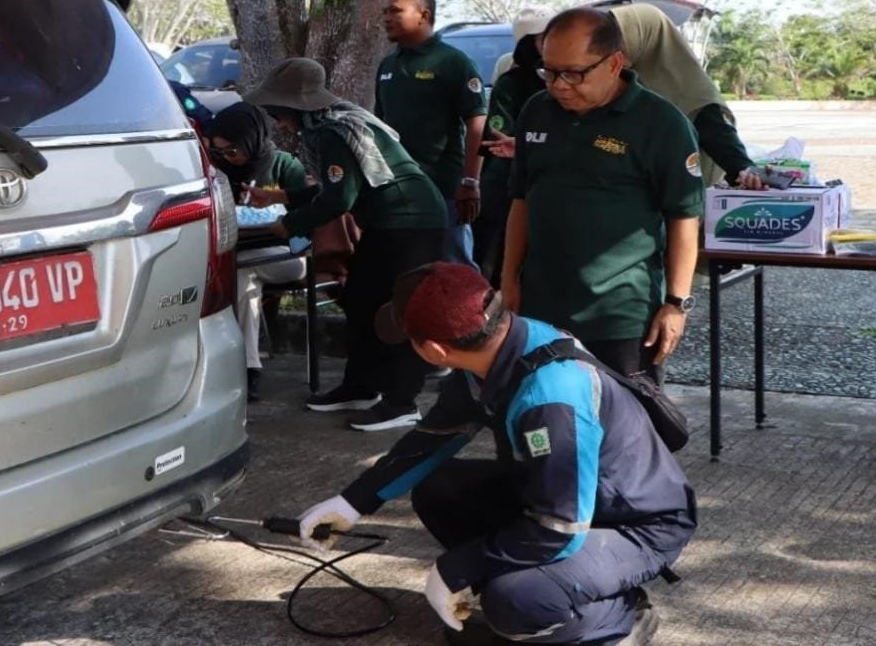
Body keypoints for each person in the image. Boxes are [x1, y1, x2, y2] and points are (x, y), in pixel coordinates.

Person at [296, 262, 696, 645]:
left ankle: (619, 617)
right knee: (439, 487)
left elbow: (559, 525)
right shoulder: (500, 345)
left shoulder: (551, 398)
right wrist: (353, 502)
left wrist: (455, 569)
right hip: (569, 500)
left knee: (516, 602)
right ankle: (542, 586)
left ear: (434, 350)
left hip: (635, 525)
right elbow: (433, 437)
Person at [241, 57, 447, 431]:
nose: (277, 121)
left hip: (410, 223)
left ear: (295, 107)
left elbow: (340, 199)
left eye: (277, 112)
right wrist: (278, 199)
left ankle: (402, 401)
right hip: (389, 223)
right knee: (360, 301)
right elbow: (335, 188)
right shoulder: (333, 122)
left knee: (400, 309)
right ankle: (361, 386)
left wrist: (290, 225)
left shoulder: (333, 131)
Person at [501, 8, 704, 384]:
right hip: (541, 311)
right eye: (549, 71)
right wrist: (509, 280)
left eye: (573, 73)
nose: (559, 85)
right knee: (545, 422)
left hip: (621, 318)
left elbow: (684, 218)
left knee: (627, 433)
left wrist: (677, 304)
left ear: (614, 63)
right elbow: (522, 201)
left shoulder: (661, 124)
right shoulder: (536, 112)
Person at [375, 0, 488, 268]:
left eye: (396, 11)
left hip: (444, 190)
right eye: (385, 11)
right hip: (400, 191)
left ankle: (474, 315)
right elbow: (381, 129)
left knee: (454, 267)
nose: (387, 17)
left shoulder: (453, 61)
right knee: (408, 270)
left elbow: (477, 123)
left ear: (423, 15)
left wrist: (470, 182)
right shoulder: (387, 65)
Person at [208, 102, 309, 401]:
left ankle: (247, 366)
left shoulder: (284, 166)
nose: (228, 157)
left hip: (289, 255)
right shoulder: (219, 174)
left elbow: (309, 225)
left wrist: (283, 230)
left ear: (251, 139)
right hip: (239, 257)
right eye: (220, 152)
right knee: (242, 274)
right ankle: (248, 366)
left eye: (232, 150)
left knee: (241, 270)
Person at [613, 3, 764, 190]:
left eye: (619, 39)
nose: (610, 48)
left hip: (675, 204)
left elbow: (721, 140)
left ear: (646, 37)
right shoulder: (619, 83)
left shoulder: (692, 92)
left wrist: (745, 171)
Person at [474, 7, 555, 285]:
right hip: (506, 185)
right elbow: (498, 136)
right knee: (495, 259)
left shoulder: (562, 81)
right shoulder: (512, 83)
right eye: (545, 37)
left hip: (546, 185)